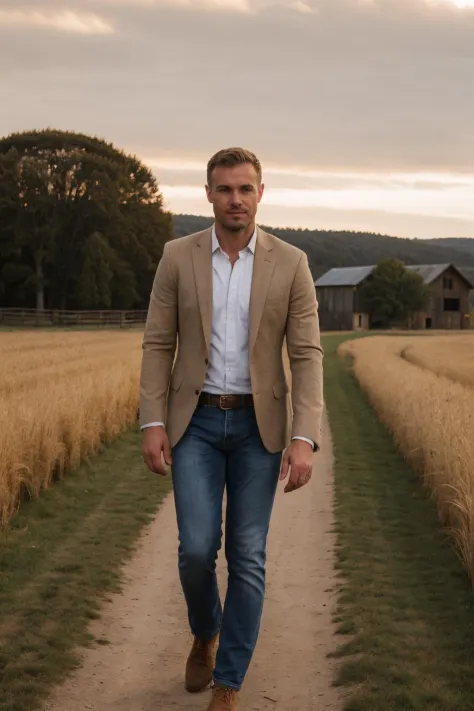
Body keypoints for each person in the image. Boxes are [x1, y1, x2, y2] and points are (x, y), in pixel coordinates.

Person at [139, 147, 324, 710]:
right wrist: (152, 420)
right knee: (196, 550)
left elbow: (307, 354)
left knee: (246, 553)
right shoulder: (177, 256)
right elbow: (157, 343)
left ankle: (229, 681)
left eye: (245, 189)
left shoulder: (291, 262)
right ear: (209, 195)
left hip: (258, 428)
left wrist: (303, 435)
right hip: (192, 424)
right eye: (225, 189)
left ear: (260, 194)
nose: (235, 199)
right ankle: (205, 629)